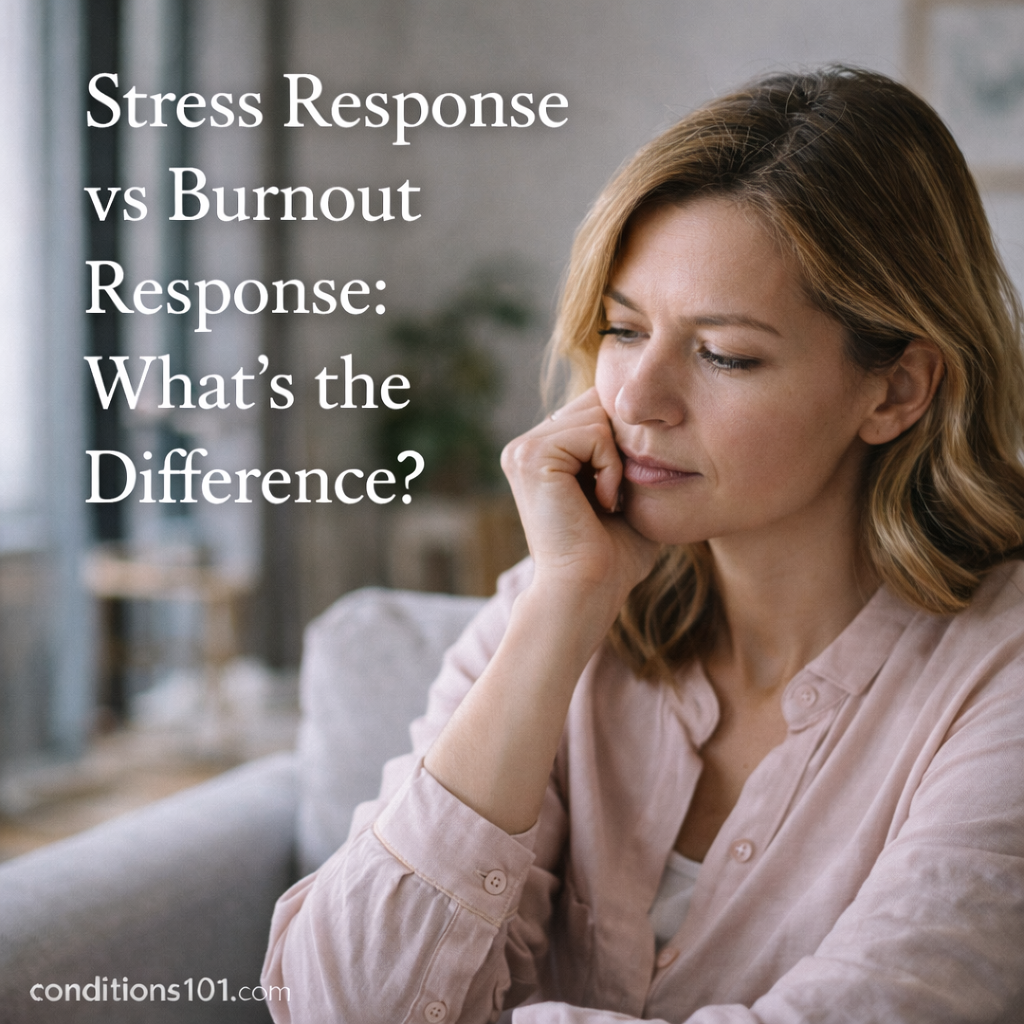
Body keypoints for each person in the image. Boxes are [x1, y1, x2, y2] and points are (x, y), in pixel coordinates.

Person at [262, 66, 1024, 1023]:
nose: (634, 401)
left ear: (897, 389)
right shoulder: (550, 608)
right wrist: (561, 608)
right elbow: (342, 1004)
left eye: (724, 354)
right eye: (624, 330)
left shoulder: (1000, 673)